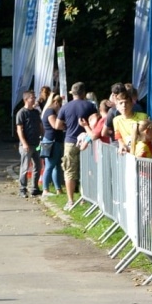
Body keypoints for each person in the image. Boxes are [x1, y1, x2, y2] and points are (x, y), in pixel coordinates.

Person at [58, 82, 97, 211]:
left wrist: (67, 127)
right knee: (87, 170)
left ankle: (70, 200)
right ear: (83, 93)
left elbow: (57, 125)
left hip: (70, 141)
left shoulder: (65, 107)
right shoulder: (90, 106)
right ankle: (85, 198)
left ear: (72, 93)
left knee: (69, 171)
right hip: (86, 140)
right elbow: (95, 123)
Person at [15, 90, 43, 197]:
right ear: (26, 99)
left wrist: (42, 136)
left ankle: (34, 188)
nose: (34, 99)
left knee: (38, 166)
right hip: (26, 145)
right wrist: (24, 143)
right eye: (32, 97)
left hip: (36, 144)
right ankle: (22, 189)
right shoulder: (21, 113)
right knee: (25, 167)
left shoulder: (36, 112)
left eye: (34, 97)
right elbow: (19, 130)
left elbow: (40, 126)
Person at [39, 95, 65, 197]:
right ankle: (45, 189)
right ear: (55, 103)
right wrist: (65, 125)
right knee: (49, 166)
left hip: (56, 141)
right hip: (51, 141)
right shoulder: (50, 112)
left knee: (57, 166)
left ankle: (58, 188)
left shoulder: (52, 112)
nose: (60, 107)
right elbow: (55, 125)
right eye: (60, 104)